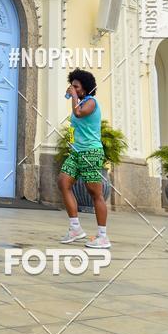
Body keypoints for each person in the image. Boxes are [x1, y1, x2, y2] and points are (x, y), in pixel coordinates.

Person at [58, 69, 110, 249]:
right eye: (71, 85)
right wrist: (71, 144)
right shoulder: (78, 104)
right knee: (63, 182)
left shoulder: (91, 103)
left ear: (84, 88)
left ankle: (103, 236)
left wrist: (73, 97)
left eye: (76, 86)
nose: (73, 88)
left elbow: (79, 113)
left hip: (91, 153)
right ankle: (75, 228)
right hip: (77, 152)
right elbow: (74, 125)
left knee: (95, 193)